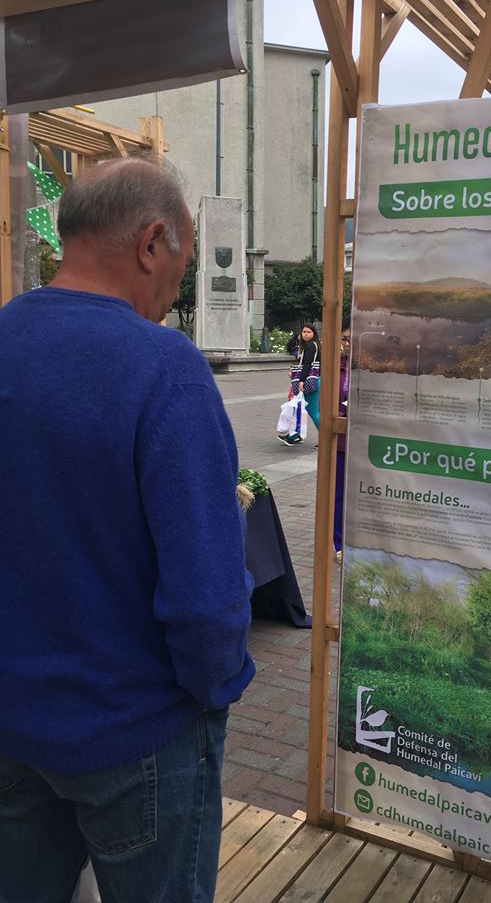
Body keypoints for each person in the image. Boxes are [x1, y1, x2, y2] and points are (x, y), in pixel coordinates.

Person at [0, 157, 255, 903]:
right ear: (151, 243)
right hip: (138, 731)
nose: (175, 291)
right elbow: (206, 598)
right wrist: (211, 692)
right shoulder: (164, 367)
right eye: (182, 263)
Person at [278, 323, 321, 446]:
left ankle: (326, 439)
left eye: (309, 332)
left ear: (314, 334)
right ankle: (294, 435)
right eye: (304, 332)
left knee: (312, 411)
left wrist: (301, 380)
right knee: (299, 408)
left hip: (309, 381)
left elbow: (307, 365)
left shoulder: (311, 346)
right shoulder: (309, 345)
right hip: (311, 380)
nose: (306, 334)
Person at [334, 322, 351, 564]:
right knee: (337, 494)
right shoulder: (334, 366)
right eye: (344, 339)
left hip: (363, 442)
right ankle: (339, 543)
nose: (347, 344)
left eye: (351, 339)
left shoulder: (370, 366)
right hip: (339, 440)